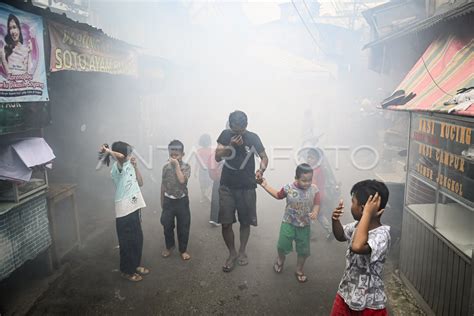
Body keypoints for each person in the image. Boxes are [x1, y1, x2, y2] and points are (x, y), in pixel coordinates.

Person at [215, 110, 268, 272]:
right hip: (227, 186)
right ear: (230, 126)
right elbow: (217, 157)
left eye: (241, 130)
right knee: (226, 223)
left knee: (245, 222)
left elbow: (264, 157)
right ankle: (232, 253)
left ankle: (242, 251)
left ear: (246, 125)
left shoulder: (253, 137)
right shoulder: (225, 135)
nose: (239, 133)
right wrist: (231, 145)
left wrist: (261, 170)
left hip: (247, 186)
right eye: (235, 130)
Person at [330, 180, 390, 315]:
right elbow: (340, 235)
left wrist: (367, 214)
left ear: (364, 208)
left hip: (370, 305)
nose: (351, 206)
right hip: (346, 295)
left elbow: (357, 246)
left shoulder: (381, 235)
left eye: (353, 202)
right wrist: (335, 220)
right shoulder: (357, 226)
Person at [259, 163, 320, 283]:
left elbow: (317, 203)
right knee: (282, 245)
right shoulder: (288, 188)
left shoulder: (314, 189)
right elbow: (278, 195)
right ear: (296, 178)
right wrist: (265, 185)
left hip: (304, 225)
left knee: (303, 250)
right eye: (303, 180)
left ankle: (299, 270)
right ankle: (280, 260)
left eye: (309, 180)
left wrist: (315, 211)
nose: (307, 183)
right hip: (288, 222)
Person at [100, 142, 149, 282]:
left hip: (134, 207)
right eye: (129, 153)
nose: (131, 156)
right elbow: (121, 157)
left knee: (137, 239)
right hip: (124, 210)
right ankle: (126, 271)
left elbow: (140, 183)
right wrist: (108, 151)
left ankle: (135, 265)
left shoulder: (129, 165)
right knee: (127, 242)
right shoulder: (118, 167)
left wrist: (136, 166)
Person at [160, 140, 192, 261]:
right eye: (171, 155)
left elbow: (182, 180)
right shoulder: (165, 167)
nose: (174, 157)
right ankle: (169, 246)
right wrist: (162, 201)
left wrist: (177, 165)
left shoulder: (186, 166)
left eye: (176, 155)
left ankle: (183, 250)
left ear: (182, 154)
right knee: (167, 224)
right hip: (168, 200)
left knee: (183, 226)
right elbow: (162, 185)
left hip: (182, 201)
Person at [306, 148, 338, 240]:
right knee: (319, 215)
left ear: (317, 159)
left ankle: (310, 234)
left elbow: (317, 184)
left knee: (309, 214)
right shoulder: (312, 168)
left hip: (315, 196)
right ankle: (329, 230)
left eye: (312, 158)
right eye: (308, 157)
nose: (309, 159)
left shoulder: (317, 170)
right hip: (317, 196)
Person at [195, 134, 213, 203]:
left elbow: (197, 162)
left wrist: (195, 171)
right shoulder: (212, 150)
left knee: (203, 184)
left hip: (203, 170)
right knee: (209, 184)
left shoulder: (199, 151)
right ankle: (205, 196)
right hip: (208, 170)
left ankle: (204, 197)